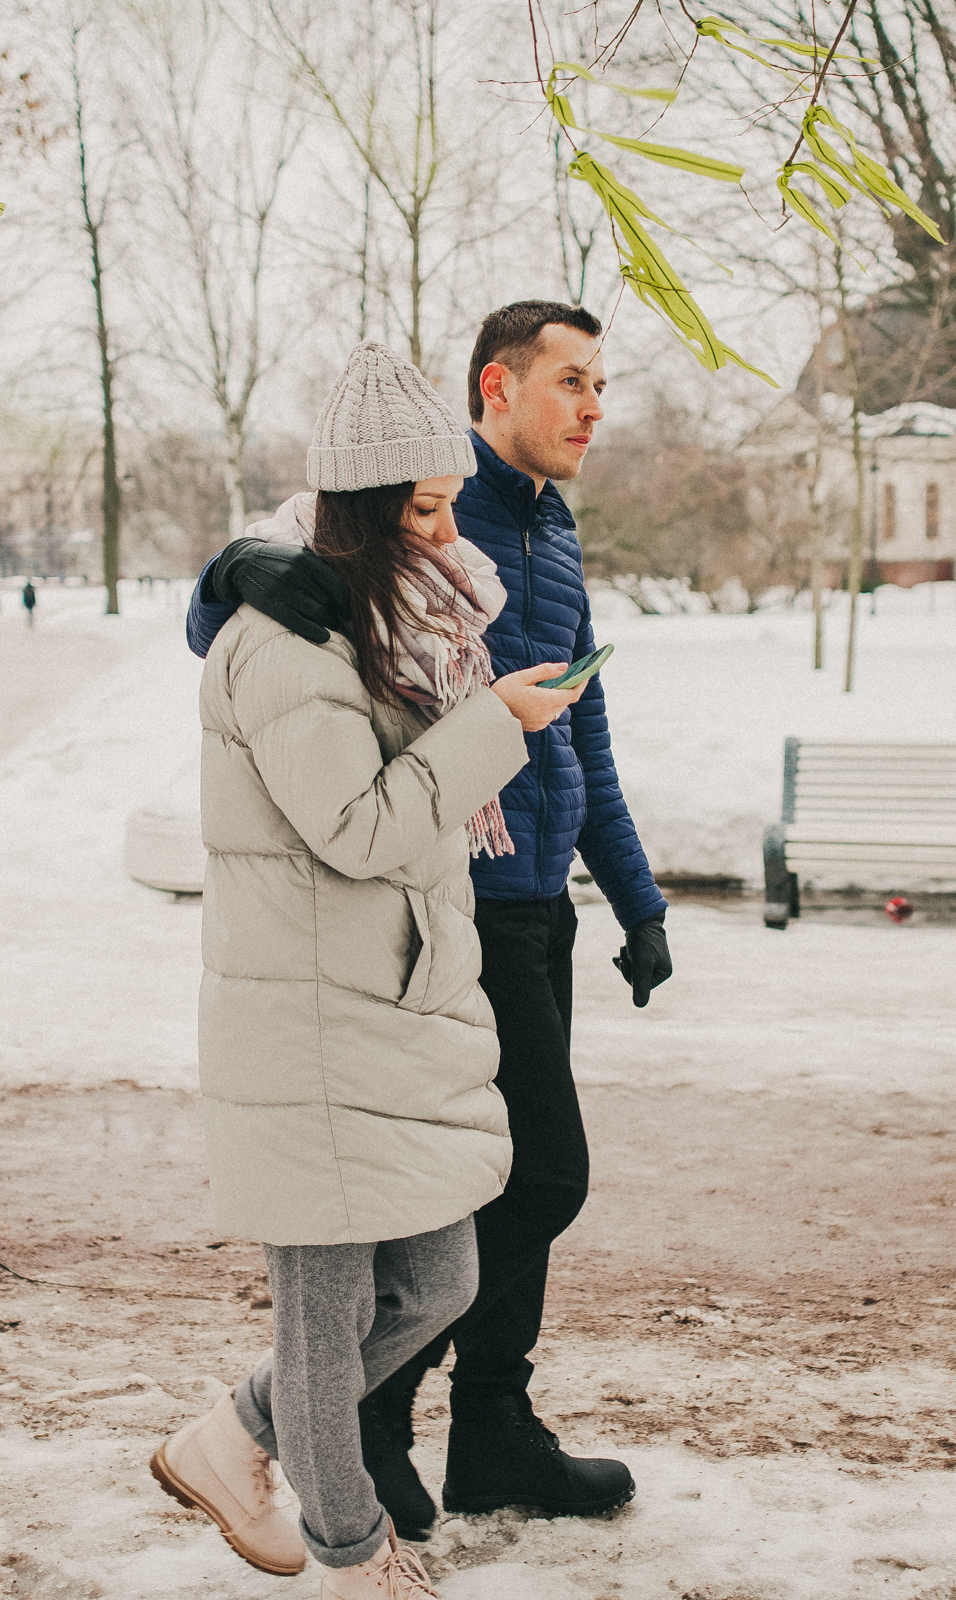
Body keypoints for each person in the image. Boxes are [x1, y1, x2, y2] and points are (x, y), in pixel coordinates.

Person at [183, 302, 672, 1535]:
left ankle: (490, 1427)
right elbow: (267, 629)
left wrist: (631, 889)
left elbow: (582, 727)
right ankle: (366, 1424)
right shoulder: (405, 519)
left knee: (501, 1177)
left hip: (521, 894)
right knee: (526, 1177)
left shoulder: (543, 537)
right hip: (448, 899)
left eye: (602, 382)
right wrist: (226, 570)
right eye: (573, 381)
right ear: (493, 391)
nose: (594, 406)